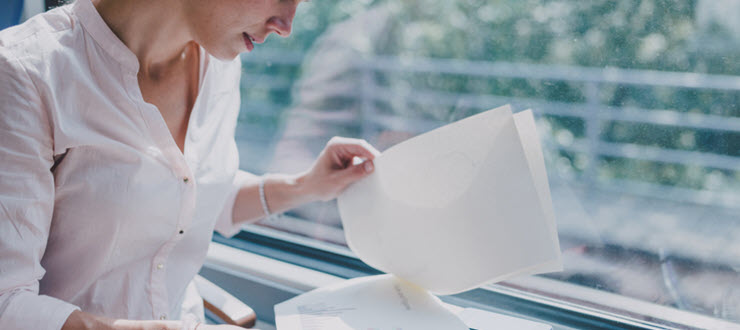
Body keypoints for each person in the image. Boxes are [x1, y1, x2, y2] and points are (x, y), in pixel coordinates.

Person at [0, 0, 379, 329]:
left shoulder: (221, 62)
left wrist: (307, 186)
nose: (286, 26)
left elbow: (190, 192)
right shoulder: (26, 76)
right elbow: (7, 303)